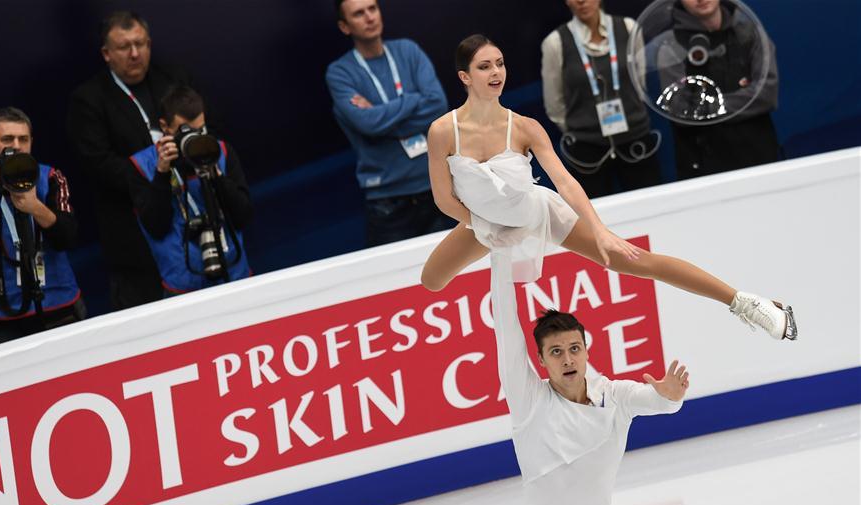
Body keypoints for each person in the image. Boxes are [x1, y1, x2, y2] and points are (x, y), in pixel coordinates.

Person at [421, 35, 797, 341]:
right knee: (432, 281)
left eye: (500, 63)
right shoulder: (443, 130)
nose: (495, 72)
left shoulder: (524, 127)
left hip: (536, 212)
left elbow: (565, 181)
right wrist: (485, 226)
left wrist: (599, 231)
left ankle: (745, 303)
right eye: (484, 66)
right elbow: (443, 198)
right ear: (465, 76)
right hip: (482, 221)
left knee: (635, 261)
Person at [490, 251, 687, 505]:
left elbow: (661, 403)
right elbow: (506, 326)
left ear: (585, 350)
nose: (567, 359)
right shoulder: (529, 401)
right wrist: (500, 254)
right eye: (555, 352)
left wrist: (671, 396)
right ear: (540, 359)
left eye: (574, 348)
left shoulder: (615, 395)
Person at [67, 11, 193, 309]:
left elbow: (207, 129)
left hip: (191, 219)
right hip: (134, 238)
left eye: (141, 44)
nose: (135, 54)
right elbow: (98, 165)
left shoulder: (174, 78)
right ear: (106, 53)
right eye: (124, 47)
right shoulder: (87, 100)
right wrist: (157, 168)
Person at [326, 0, 452, 247]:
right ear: (345, 26)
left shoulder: (408, 51)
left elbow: (437, 106)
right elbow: (367, 124)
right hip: (388, 202)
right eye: (359, 14)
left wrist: (380, 114)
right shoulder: (340, 72)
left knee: (452, 279)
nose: (370, 17)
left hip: (436, 188)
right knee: (401, 282)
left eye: (373, 8)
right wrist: (414, 99)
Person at [0, 108, 84, 349]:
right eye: (7, 139)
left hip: (55, 303)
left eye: (23, 139)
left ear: (31, 143)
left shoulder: (49, 177)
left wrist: (36, 207)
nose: (16, 146)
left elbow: (69, 239)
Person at [128, 86, 252, 294]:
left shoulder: (220, 151)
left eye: (201, 130)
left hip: (235, 276)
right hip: (184, 288)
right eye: (186, 131)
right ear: (164, 127)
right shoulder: (142, 166)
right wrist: (162, 174)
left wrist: (214, 172)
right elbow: (156, 227)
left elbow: (244, 216)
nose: (196, 138)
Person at [541, 0, 663, 198]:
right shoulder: (555, 43)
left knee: (652, 205)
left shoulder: (629, 28)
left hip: (636, 140)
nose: (581, 1)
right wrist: (584, 127)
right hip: (586, 151)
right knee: (595, 218)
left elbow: (640, 82)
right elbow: (554, 104)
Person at [662, 0, 780, 179]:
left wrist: (707, 107)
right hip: (702, 169)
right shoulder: (670, 46)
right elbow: (681, 112)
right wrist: (743, 98)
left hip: (760, 160)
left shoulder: (748, 32)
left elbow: (767, 94)